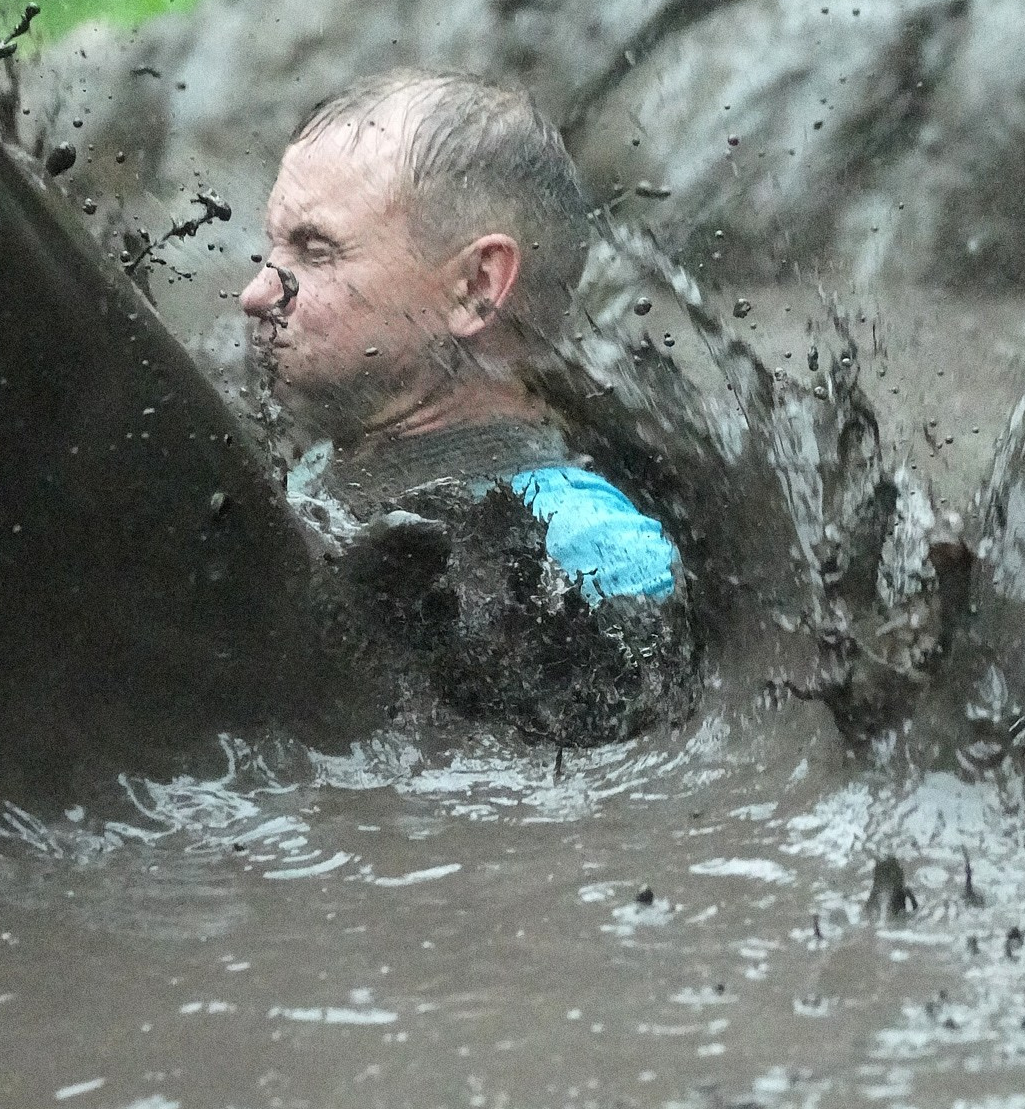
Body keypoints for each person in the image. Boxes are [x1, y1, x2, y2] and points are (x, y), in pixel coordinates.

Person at [240, 68, 691, 744]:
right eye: (273, 246)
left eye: (315, 250)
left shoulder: (596, 553)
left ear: (475, 288)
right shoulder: (314, 474)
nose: (255, 291)